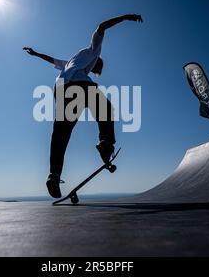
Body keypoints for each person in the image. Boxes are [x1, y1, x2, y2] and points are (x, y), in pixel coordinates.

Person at [24, 14, 143, 198]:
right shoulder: (94, 51)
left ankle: (54, 175)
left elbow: (51, 60)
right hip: (80, 86)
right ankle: (105, 143)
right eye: (98, 69)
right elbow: (102, 26)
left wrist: (35, 53)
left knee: (61, 134)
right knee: (105, 109)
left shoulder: (69, 62)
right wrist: (127, 17)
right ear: (98, 62)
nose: (97, 72)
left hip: (62, 90)